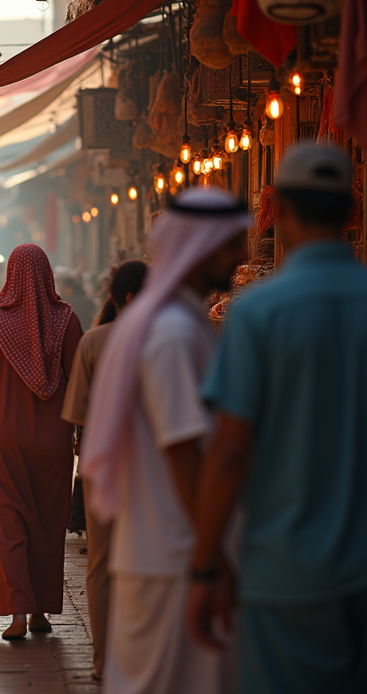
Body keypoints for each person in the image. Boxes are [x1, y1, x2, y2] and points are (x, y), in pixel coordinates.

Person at [188, 142, 367, 694]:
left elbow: (230, 450)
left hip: (282, 569)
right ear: (353, 213)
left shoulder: (258, 313)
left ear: (279, 212)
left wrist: (204, 567)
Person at [80, 187, 250, 694]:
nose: (242, 256)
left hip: (169, 551)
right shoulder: (174, 332)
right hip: (175, 556)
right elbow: (184, 455)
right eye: (231, 244)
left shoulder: (177, 322)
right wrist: (210, 561)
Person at [0, 244, 82, 640]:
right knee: (49, 526)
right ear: (48, 275)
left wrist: (5, 397)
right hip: (54, 438)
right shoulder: (67, 320)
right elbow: (81, 383)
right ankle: (41, 614)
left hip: (6, 435)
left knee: (8, 521)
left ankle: (18, 611)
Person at [60, 260, 148, 681]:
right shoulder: (165, 336)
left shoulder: (93, 342)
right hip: (152, 469)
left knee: (101, 564)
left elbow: (76, 411)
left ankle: (102, 660)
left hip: (101, 466)